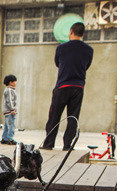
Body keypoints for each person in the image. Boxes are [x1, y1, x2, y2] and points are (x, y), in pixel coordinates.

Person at [43, 22, 93, 151]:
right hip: (78, 87)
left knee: (54, 116)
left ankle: (49, 144)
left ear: (71, 32)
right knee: (73, 117)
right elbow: (87, 66)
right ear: (82, 34)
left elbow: (57, 63)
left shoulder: (61, 48)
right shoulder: (89, 50)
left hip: (62, 85)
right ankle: (67, 145)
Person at [1, 74, 18, 145]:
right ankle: (10, 138)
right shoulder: (9, 90)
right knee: (11, 125)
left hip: (7, 111)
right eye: (15, 81)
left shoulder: (8, 90)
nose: (16, 83)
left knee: (6, 125)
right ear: (11, 82)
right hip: (10, 112)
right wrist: (12, 109)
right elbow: (9, 100)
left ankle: (4, 138)